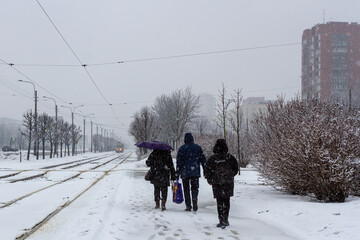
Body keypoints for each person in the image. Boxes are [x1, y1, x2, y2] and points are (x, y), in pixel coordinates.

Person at [205, 139, 238, 229]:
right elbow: (235, 169)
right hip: (228, 182)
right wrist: (230, 176)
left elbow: (207, 171)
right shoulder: (230, 158)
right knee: (226, 200)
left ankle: (221, 219)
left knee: (219, 201)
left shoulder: (213, 159)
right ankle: (226, 219)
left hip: (217, 182)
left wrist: (210, 180)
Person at [176, 133, 206, 212]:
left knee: (186, 189)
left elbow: (179, 161)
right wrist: (205, 169)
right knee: (195, 188)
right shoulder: (198, 148)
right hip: (195, 171)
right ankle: (194, 198)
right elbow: (203, 159)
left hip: (185, 172)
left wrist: (178, 171)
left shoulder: (182, 149)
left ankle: (188, 205)